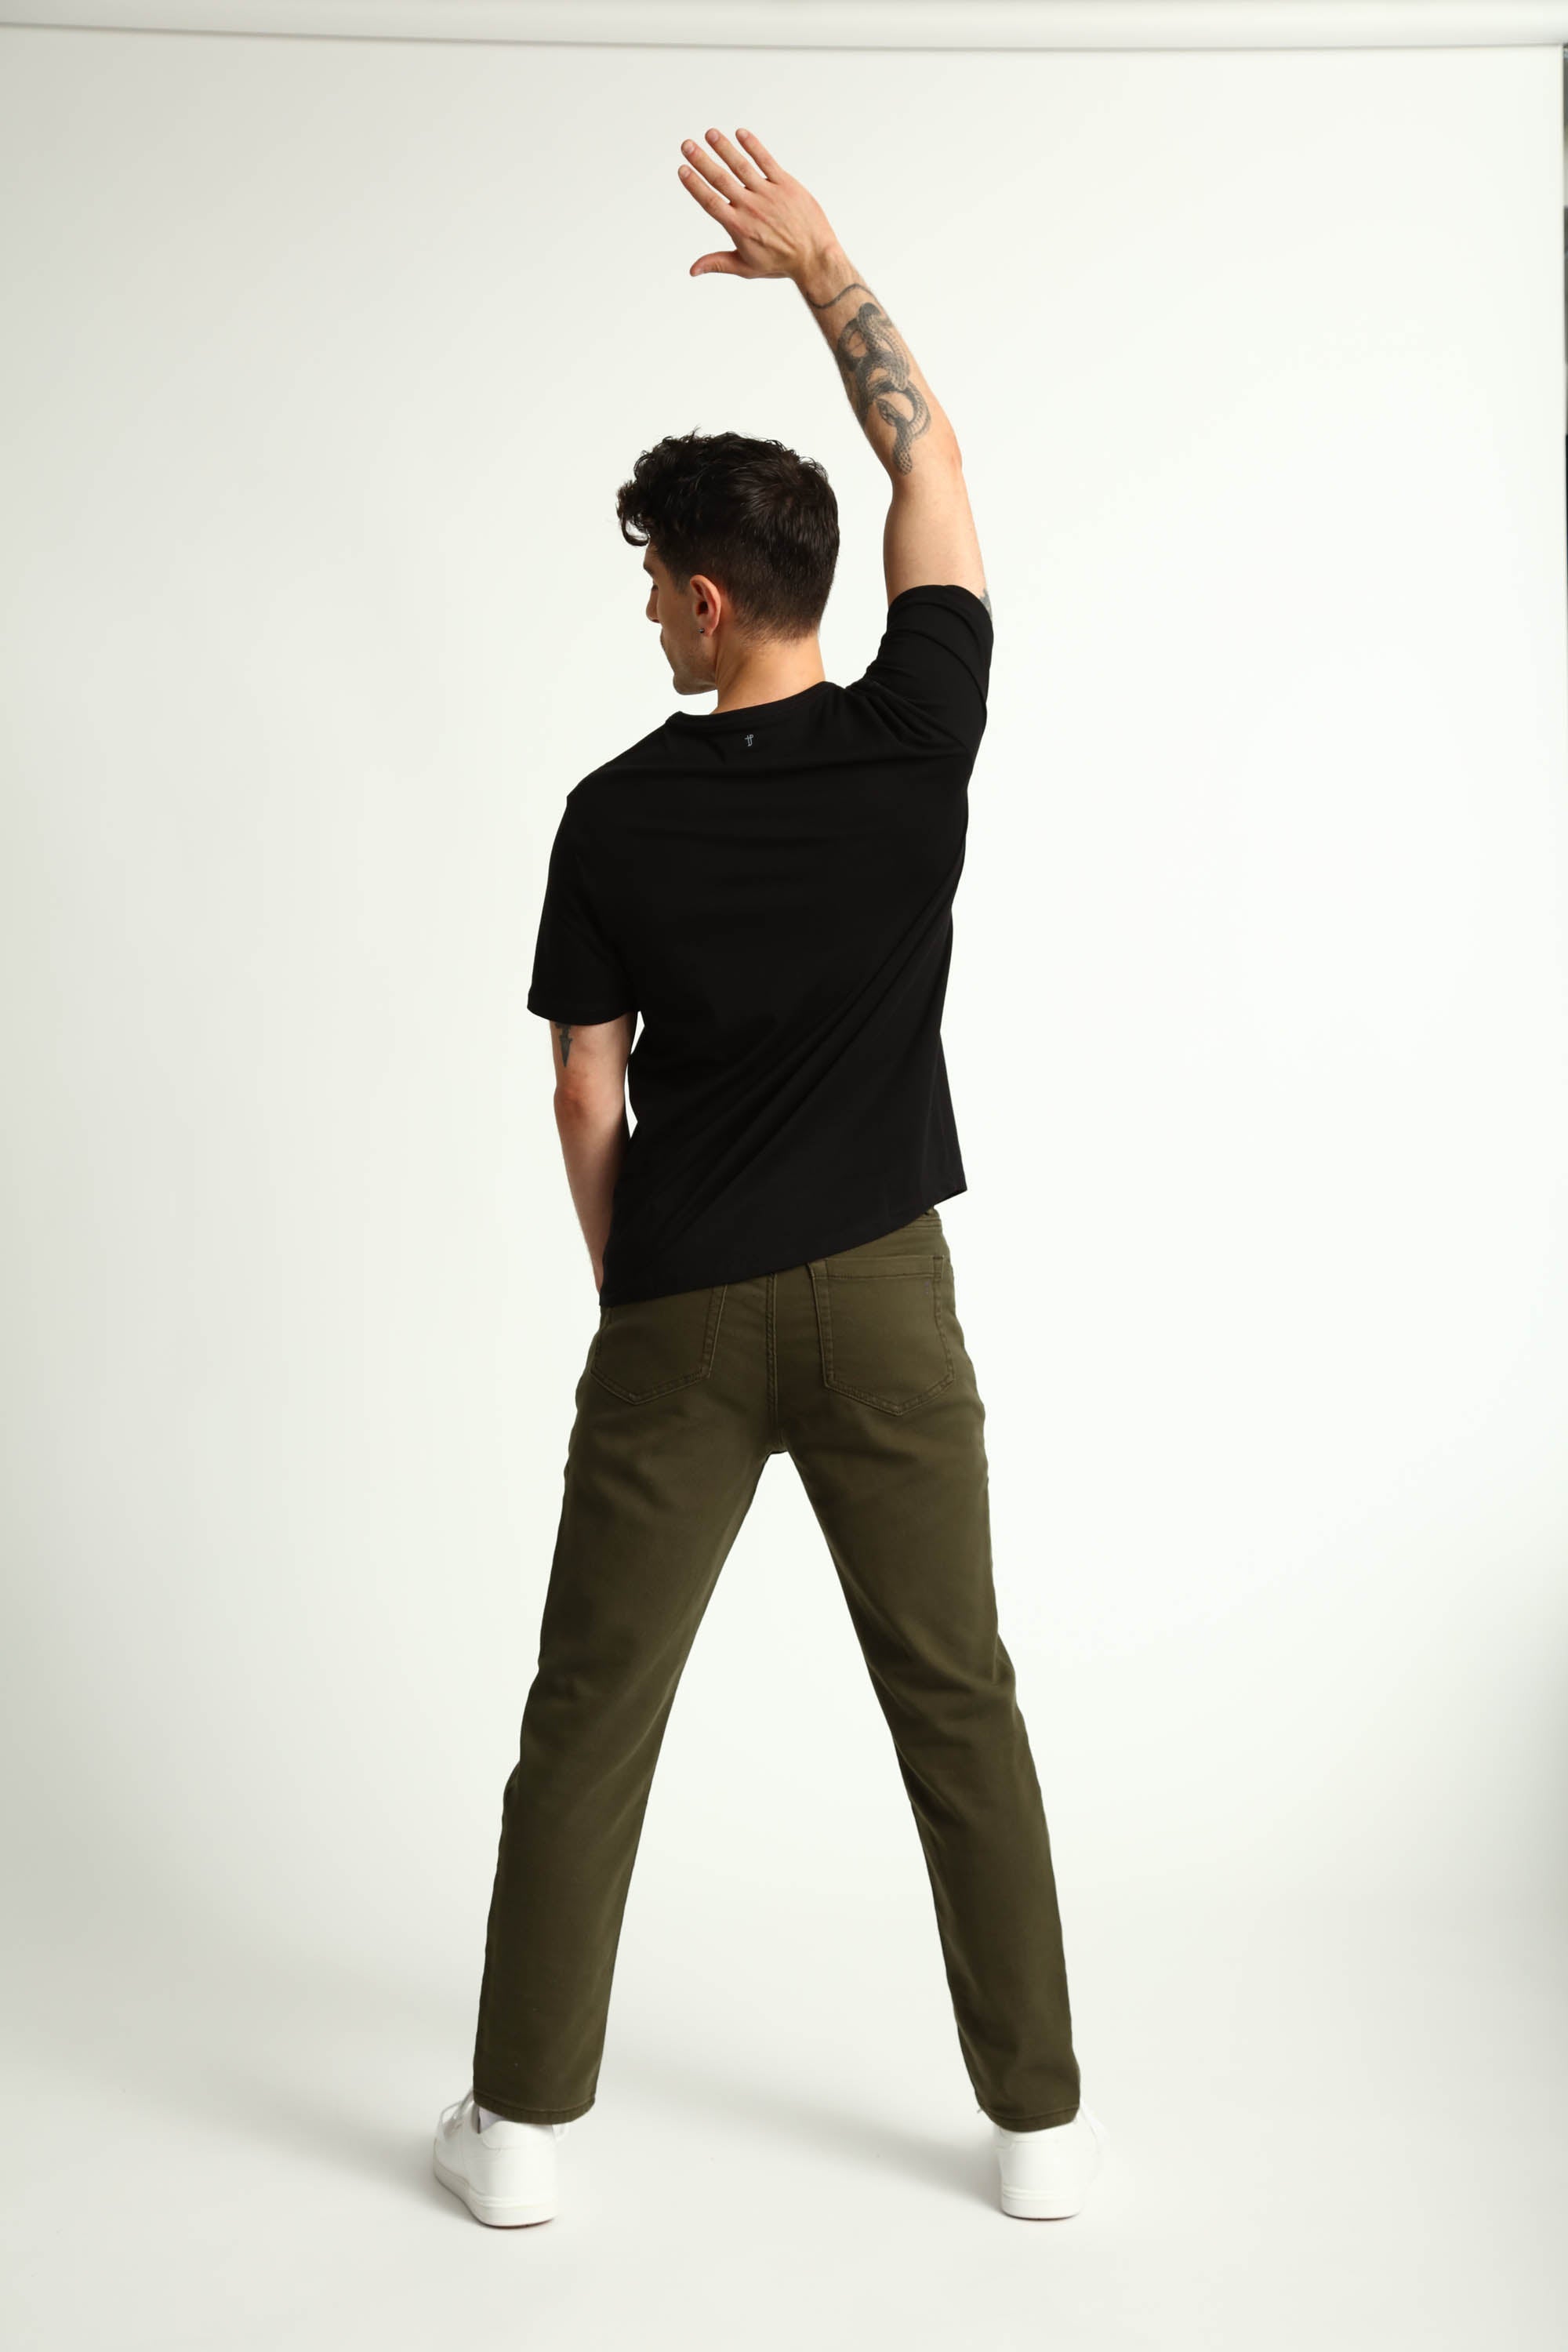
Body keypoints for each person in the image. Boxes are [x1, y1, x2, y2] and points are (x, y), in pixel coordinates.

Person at [433, 125, 1106, 2229]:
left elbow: (583, 1091)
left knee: (590, 1717)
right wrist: (828, 270)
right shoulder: (922, 742)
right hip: (891, 1293)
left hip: (688, 1305)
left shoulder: (615, 817)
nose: (649, 606)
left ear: (711, 600)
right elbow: (933, 461)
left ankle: (520, 2139)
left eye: (656, 578)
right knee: (960, 1698)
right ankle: (1041, 2132)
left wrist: (640, 1286)